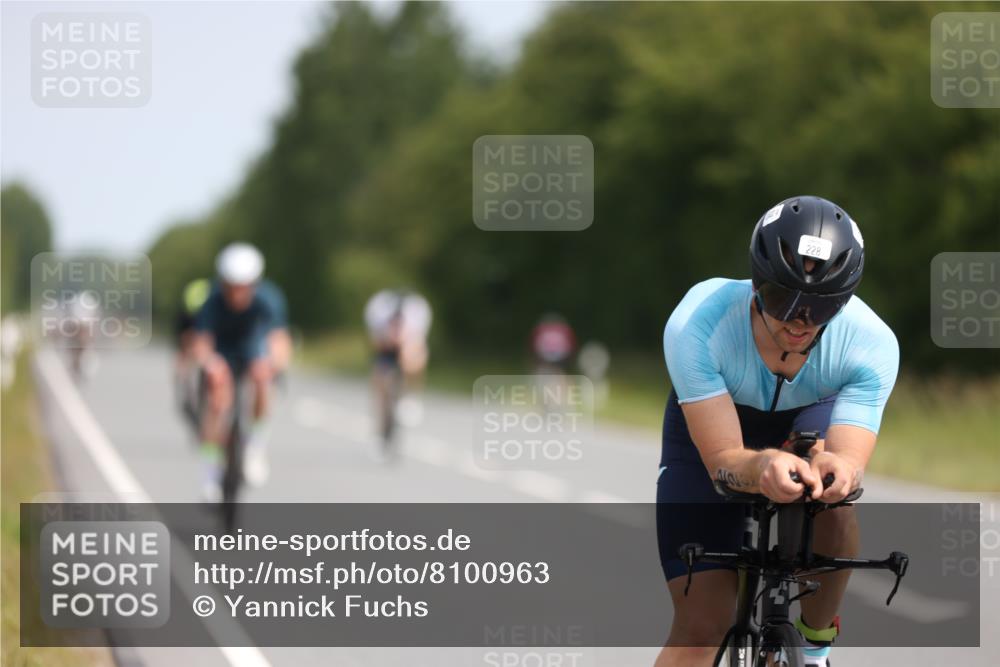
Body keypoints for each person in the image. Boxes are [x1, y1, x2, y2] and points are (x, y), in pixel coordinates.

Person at [656, 196, 899, 667]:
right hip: (714, 430)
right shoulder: (698, 323)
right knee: (702, 628)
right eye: (780, 298)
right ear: (755, 283)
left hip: (809, 416)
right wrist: (763, 463)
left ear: (845, 301)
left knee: (833, 497)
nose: (798, 321)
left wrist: (838, 470)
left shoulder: (870, 344)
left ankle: (812, 646)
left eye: (821, 307)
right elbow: (724, 459)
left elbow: (848, 458)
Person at [191, 243, 291, 501]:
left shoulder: (269, 299)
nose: (237, 293)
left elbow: (279, 339)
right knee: (217, 399)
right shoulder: (211, 300)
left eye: (243, 286)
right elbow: (201, 341)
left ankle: (255, 447)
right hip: (222, 352)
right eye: (231, 286)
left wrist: (272, 365)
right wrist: (210, 364)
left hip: (253, 350)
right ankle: (210, 472)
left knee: (262, 380)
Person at [363, 289, 432, 454]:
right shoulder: (378, 311)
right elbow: (375, 342)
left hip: (409, 343)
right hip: (384, 346)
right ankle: (381, 428)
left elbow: (418, 342)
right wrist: (388, 342)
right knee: (380, 378)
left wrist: (405, 347)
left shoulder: (417, 312)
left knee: (414, 356)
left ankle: (411, 396)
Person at [173, 277, 212, 431]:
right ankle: (184, 388)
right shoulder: (185, 316)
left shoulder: (216, 308)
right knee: (184, 355)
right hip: (189, 330)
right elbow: (182, 346)